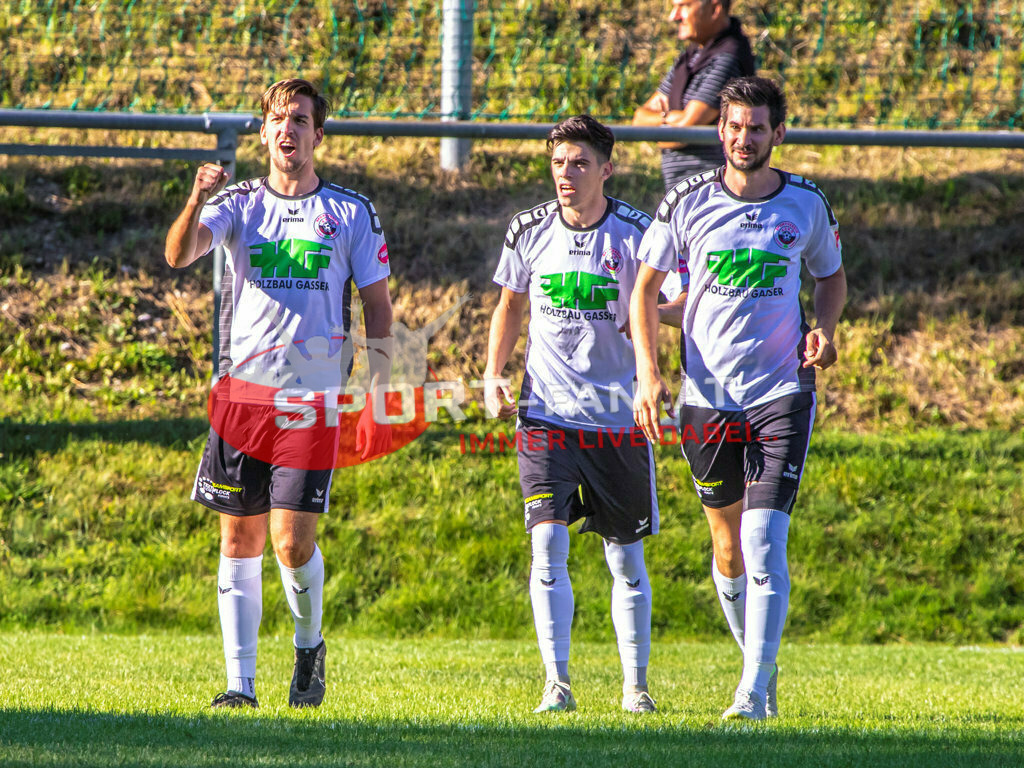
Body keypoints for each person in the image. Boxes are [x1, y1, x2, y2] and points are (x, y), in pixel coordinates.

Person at [164, 78, 393, 709]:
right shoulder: (237, 203)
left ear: (319, 134)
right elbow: (179, 255)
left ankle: (308, 646)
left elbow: (377, 306)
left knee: (291, 544)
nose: (287, 129)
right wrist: (195, 198)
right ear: (263, 132)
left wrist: (378, 390)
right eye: (277, 119)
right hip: (242, 399)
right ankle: (239, 686)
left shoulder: (351, 212)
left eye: (299, 119)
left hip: (310, 402)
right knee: (239, 541)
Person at [630, 76, 847, 721]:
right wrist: (647, 373)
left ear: (778, 133)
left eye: (756, 128)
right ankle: (760, 666)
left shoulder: (806, 203)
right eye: (733, 126)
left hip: (781, 389)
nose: (743, 138)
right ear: (719, 131)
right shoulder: (686, 201)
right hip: (705, 395)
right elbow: (645, 292)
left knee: (762, 536)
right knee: (727, 549)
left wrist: (826, 330)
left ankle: (752, 688)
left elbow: (831, 276)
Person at [485, 115, 681, 715]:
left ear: (606, 169)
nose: (565, 174)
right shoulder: (528, 229)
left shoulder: (639, 233)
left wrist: (648, 320)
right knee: (547, 544)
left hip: (619, 417)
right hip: (545, 413)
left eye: (579, 163)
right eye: (558, 163)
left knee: (625, 557)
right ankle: (558, 684)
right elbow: (509, 305)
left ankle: (636, 688)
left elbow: (680, 299)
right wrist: (493, 373)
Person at [632, 0, 755, 193]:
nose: (673, 17)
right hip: (685, 191)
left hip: (711, 191)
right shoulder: (690, 57)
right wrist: (669, 119)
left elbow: (683, 133)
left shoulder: (727, 59)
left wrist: (662, 126)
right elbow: (639, 120)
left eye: (683, 6)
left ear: (714, 9)